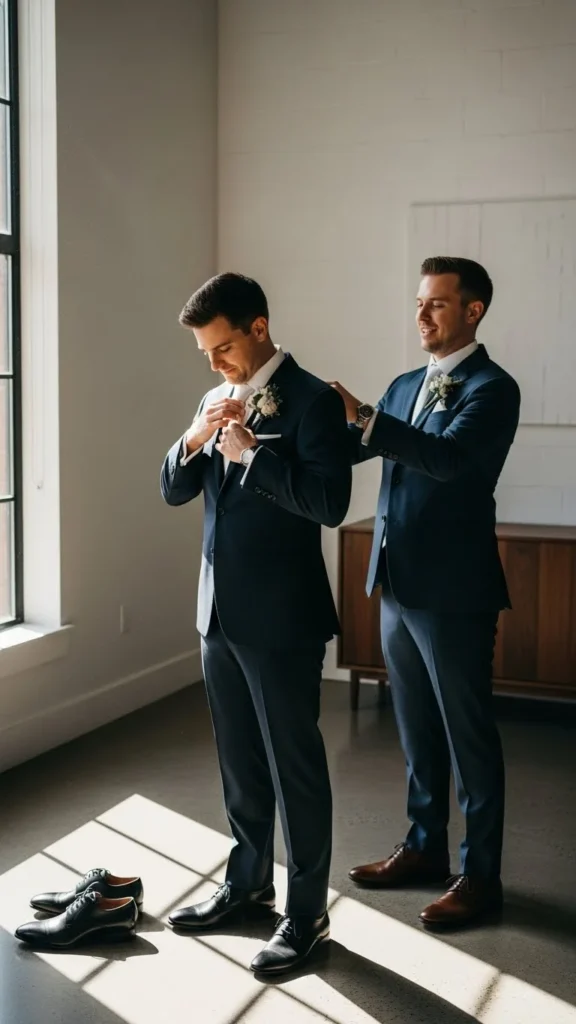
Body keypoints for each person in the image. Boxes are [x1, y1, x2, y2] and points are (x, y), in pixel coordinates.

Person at [160, 272, 351, 973]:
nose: (213, 364)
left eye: (222, 347)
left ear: (259, 329)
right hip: (217, 614)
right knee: (239, 764)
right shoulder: (215, 396)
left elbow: (329, 502)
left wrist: (255, 456)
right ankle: (246, 886)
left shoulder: (311, 402)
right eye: (205, 353)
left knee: (294, 767)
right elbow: (174, 488)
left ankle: (307, 915)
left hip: (282, 618)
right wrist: (192, 439)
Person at [331, 256, 520, 928]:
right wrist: (304, 424)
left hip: (454, 593)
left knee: (469, 739)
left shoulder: (493, 389)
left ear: (473, 311)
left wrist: (369, 420)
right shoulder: (407, 382)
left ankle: (481, 877)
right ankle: (422, 848)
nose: (421, 315)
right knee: (416, 733)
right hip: (396, 587)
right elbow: (357, 444)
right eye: (419, 302)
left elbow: (446, 461)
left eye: (437, 304)